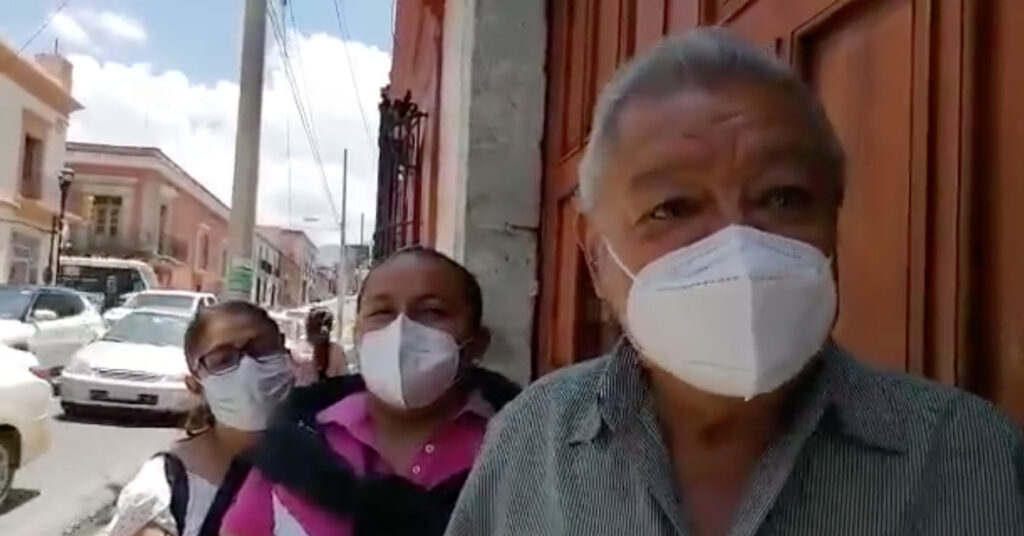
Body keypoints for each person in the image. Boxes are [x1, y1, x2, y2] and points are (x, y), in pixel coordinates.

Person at [445, 28, 1024, 536]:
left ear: (832, 222)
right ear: (597, 259)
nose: (737, 244)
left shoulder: (968, 455)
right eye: (672, 208)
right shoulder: (530, 444)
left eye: (783, 197)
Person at [220, 246, 521, 536]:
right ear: (358, 335)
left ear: (477, 343)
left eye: (432, 311)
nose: (401, 330)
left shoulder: (521, 445)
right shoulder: (298, 440)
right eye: (382, 312)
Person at [107, 301, 295, 536]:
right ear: (196, 384)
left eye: (262, 347)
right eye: (223, 360)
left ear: (287, 356)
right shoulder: (164, 493)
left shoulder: (336, 462)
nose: (248, 367)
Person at [291, 307, 347, 386]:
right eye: (316, 326)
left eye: (326, 326)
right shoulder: (299, 351)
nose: (322, 331)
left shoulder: (336, 351)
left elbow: (343, 381)